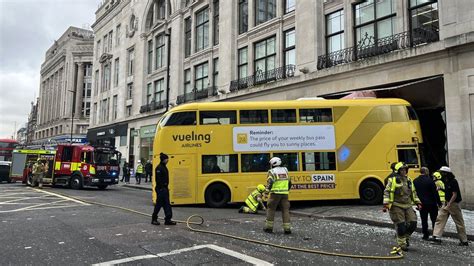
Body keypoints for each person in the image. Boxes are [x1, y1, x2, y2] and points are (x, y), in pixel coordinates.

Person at [383, 162, 422, 252]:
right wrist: (386, 204)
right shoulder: (392, 180)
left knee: (413, 223)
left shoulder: (409, 180)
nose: (404, 171)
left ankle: (405, 238)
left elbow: (413, 193)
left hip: (408, 205)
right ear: (398, 171)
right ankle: (402, 243)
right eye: (402, 170)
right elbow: (387, 192)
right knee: (401, 225)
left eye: (405, 170)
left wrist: (418, 202)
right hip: (396, 205)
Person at [430, 166, 469, 246]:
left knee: (459, 222)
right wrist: (441, 189)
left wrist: (449, 204)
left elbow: (455, 194)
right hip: (447, 202)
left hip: (453, 204)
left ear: (446, 173)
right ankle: (437, 237)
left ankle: (464, 240)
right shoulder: (445, 180)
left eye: (442, 172)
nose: (440, 174)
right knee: (440, 219)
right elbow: (448, 191)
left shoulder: (453, 181)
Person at [264, 157, 292, 234]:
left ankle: (268, 228)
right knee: (285, 210)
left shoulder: (272, 172)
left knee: (271, 209)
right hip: (285, 194)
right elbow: (290, 182)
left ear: (273, 164)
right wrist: (286, 190)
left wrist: (266, 192)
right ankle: (287, 229)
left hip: (275, 194)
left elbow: (270, 183)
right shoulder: (285, 170)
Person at [413, 167, 440, 240]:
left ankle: (425, 234)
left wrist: (416, 203)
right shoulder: (430, 181)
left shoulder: (415, 181)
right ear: (426, 172)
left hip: (421, 203)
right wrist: (439, 202)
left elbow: (414, 192)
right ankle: (435, 234)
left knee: (424, 219)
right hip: (432, 203)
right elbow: (435, 193)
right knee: (434, 219)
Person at [151, 153, 176, 226]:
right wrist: (161, 188)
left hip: (164, 188)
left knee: (167, 204)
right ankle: (154, 219)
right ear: (163, 159)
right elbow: (158, 180)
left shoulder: (164, 167)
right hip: (161, 189)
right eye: (166, 159)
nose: (167, 160)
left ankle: (168, 219)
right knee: (159, 204)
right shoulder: (159, 168)